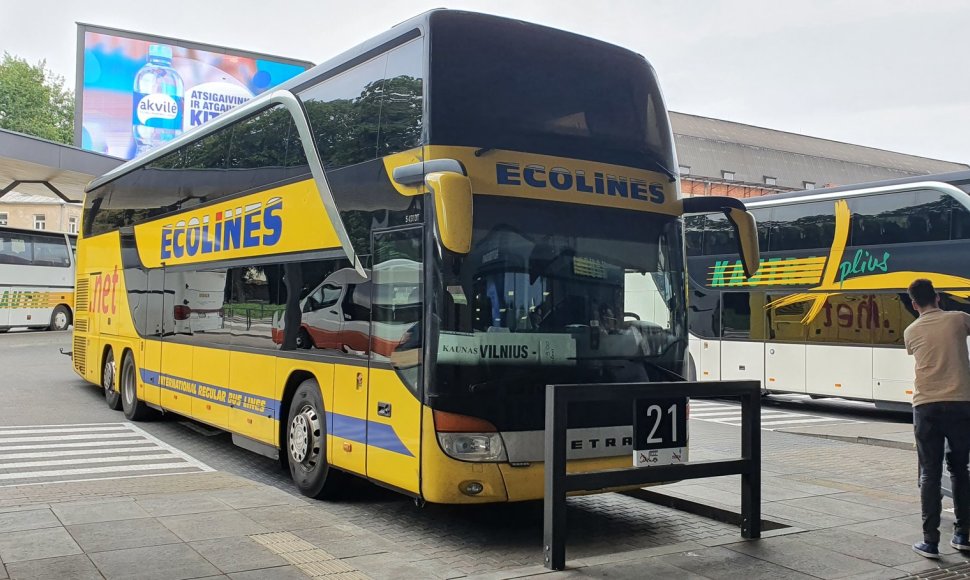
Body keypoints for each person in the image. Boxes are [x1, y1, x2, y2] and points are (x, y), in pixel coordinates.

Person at [904, 278, 970, 559]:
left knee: (929, 472)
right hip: (960, 403)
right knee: (960, 469)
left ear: (914, 303)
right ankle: (963, 535)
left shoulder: (911, 331)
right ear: (938, 298)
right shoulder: (958, 319)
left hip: (927, 405)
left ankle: (930, 541)